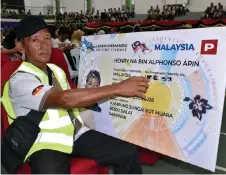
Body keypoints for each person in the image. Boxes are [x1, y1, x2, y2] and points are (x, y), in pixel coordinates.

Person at [4, 16, 149, 174]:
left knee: (127, 152)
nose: (43, 45)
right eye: (35, 40)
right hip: (44, 141)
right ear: (20, 47)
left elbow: (73, 98)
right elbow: (64, 99)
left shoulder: (56, 70)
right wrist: (118, 87)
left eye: (46, 38)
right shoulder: (20, 80)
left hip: (74, 133)